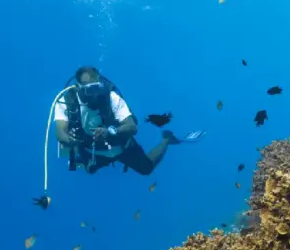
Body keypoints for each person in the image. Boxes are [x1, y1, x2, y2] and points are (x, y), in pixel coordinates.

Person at [52, 66, 202, 175]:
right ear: (78, 89)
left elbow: (132, 127)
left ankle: (166, 140)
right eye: (89, 90)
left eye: (97, 88)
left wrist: (111, 131)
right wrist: (69, 141)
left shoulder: (111, 97)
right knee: (90, 170)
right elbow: (60, 131)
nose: (95, 95)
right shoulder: (67, 102)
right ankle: (85, 159)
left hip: (121, 146)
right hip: (92, 151)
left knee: (146, 168)